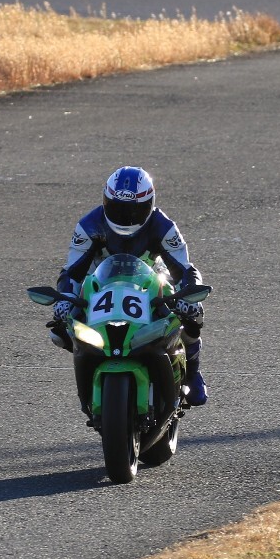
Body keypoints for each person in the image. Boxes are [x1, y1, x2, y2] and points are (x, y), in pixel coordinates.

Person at [47, 166, 210, 406]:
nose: (126, 216)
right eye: (118, 208)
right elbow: (71, 270)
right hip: (101, 281)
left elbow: (185, 268)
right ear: (105, 202)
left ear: (149, 204)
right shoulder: (89, 225)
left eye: (134, 210)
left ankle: (193, 373)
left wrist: (188, 295)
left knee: (193, 314)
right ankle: (93, 364)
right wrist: (64, 297)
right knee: (59, 333)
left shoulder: (163, 226)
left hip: (150, 278)